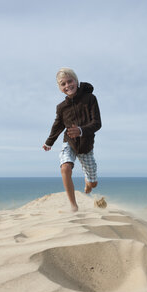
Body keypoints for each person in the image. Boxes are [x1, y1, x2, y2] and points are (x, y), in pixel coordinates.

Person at [43, 67, 102, 211]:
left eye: (70, 81)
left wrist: (81, 131)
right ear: (60, 88)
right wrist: (49, 142)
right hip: (69, 143)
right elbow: (57, 126)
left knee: (93, 184)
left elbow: (97, 123)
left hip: (86, 146)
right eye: (63, 84)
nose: (67, 85)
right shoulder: (61, 107)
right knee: (65, 168)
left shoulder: (90, 99)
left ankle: (89, 182)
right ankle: (74, 206)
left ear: (76, 81)